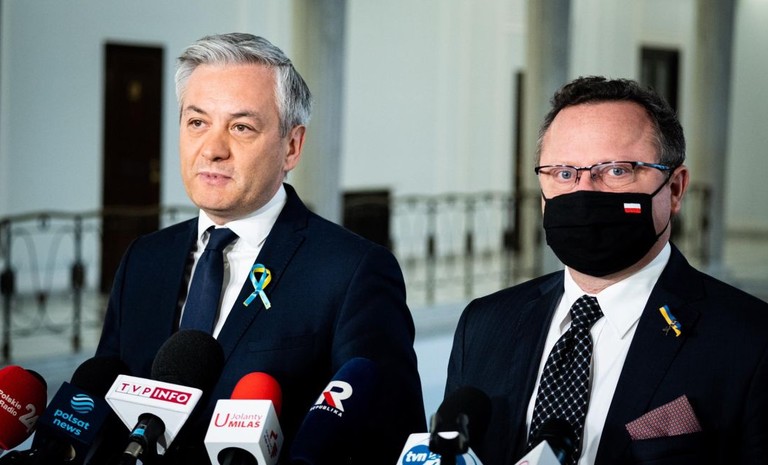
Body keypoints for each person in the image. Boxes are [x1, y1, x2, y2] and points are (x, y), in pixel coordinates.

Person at [96, 33, 425, 464]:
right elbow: (101, 413)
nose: (212, 150)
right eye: (197, 123)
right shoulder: (145, 259)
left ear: (291, 146)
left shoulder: (351, 272)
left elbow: (388, 441)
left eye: (241, 127)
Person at [445, 76, 768, 465]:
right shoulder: (483, 326)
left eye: (616, 171)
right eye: (564, 173)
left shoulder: (752, 343)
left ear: (675, 189)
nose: (584, 192)